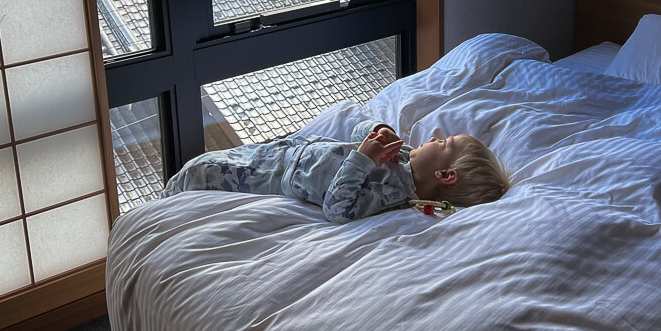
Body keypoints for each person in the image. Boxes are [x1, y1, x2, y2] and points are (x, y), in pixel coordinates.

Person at [161, 120, 509, 223]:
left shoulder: (395, 194)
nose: (434, 137)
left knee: (199, 173)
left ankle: (160, 209)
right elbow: (356, 136)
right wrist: (376, 132)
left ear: (444, 176)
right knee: (211, 159)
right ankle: (164, 199)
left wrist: (363, 161)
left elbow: (338, 208)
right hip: (287, 152)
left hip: (276, 178)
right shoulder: (401, 154)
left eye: (443, 142)